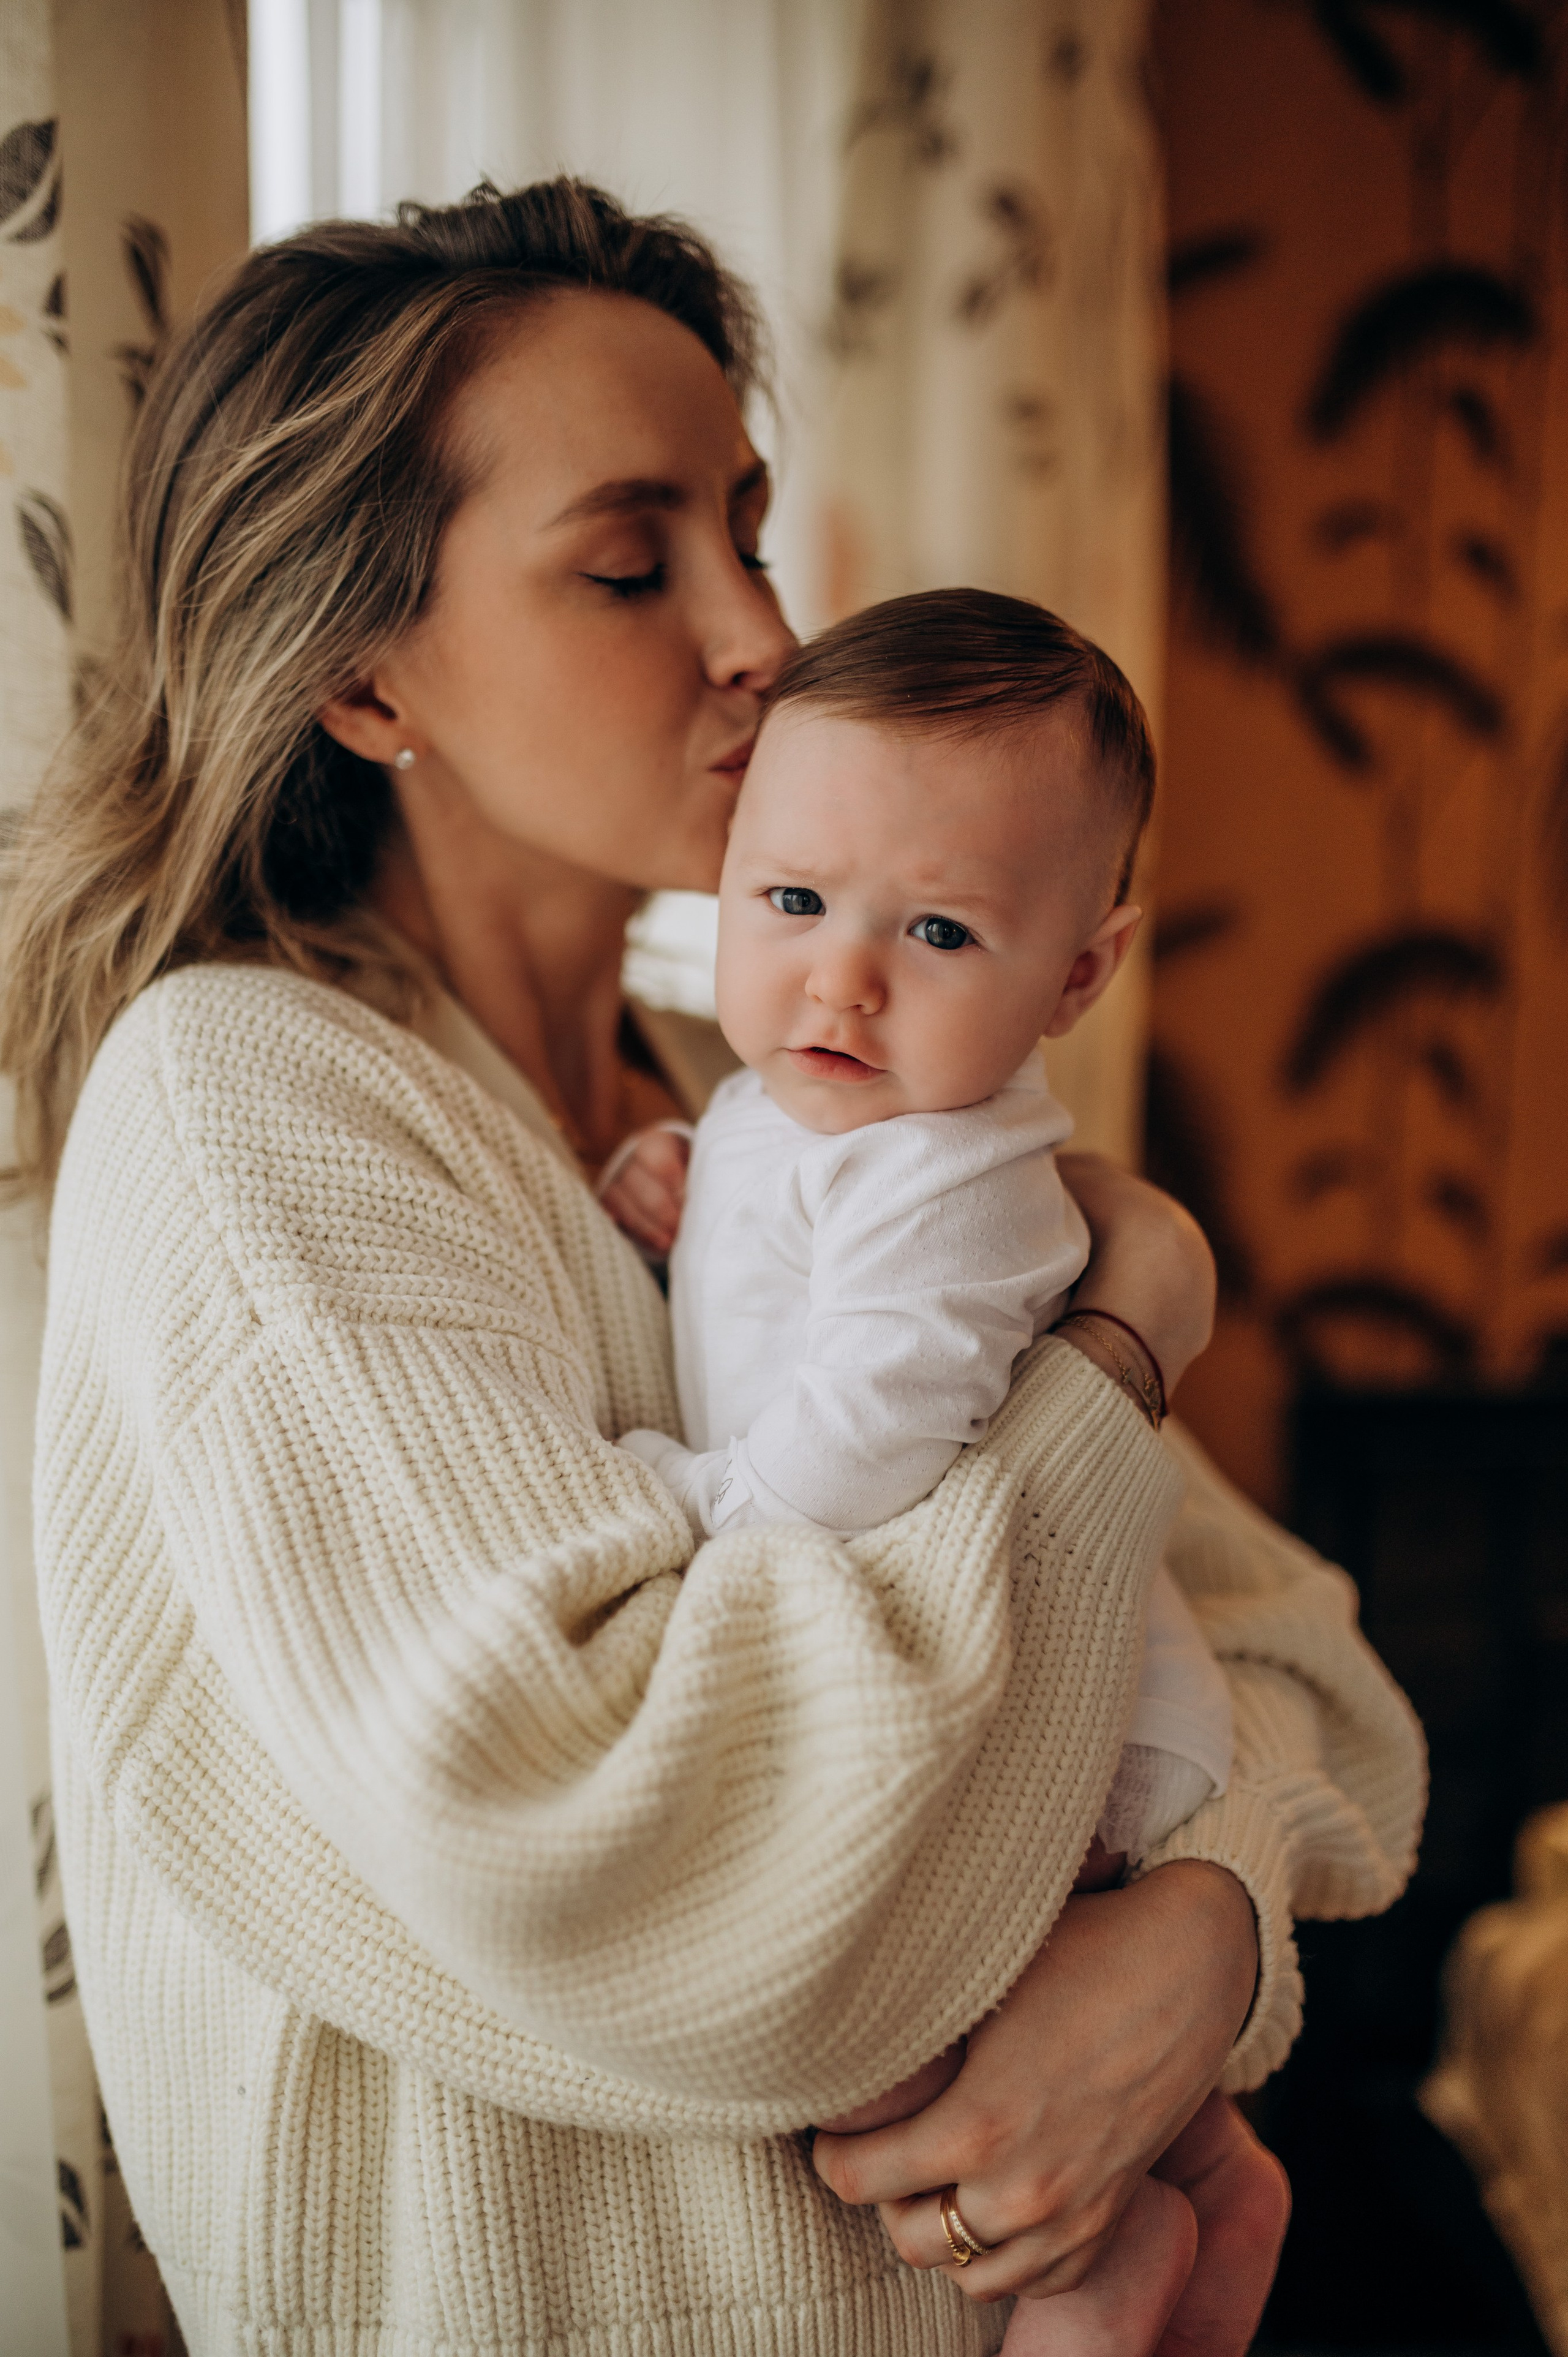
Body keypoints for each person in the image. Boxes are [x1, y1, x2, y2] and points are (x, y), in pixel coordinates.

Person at [0, 178, 1424, 2357]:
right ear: (368, 679)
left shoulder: (780, 1097)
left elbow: (1308, 1666)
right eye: (629, 560)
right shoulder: (254, 1112)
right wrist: (1120, 1337)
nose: (761, 634)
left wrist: (1206, 1935)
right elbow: (686, 1881)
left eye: (749, 529)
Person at [602, 586, 1278, 2355]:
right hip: (1016, 1696)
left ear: (1079, 973)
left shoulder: (958, 1177)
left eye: (943, 933)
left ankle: (1122, 2253)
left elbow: (870, 1433)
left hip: (1080, 1726)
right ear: (731, 872)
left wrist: (682, 1507)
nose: (843, 976)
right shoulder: (792, 1100)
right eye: (797, 902)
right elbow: (780, 1220)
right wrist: (685, 1182)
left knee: (878, 2002)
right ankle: (1200, 2185)